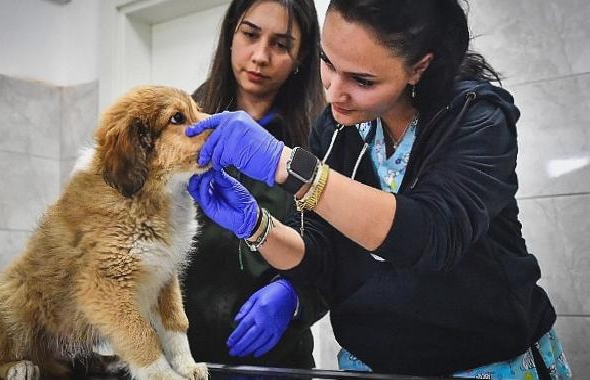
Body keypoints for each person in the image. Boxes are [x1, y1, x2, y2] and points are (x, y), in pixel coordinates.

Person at [185, 0, 573, 378]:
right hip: (371, 363)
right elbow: (321, 255)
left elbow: (431, 233)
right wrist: (258, 227)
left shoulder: (476, 117)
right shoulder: (336, 127)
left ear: (419, 68)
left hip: (482, 361)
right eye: (328, 62)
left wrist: (286, 166)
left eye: (362, 80)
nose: (335, 92)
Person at [182, 0, 327, 369]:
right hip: (183, 359)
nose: (260, 56)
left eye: (280, 44)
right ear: (230, 34)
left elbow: (340, 253)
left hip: (280, 364)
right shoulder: (183, 121)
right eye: (250, 34)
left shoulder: (323, 135)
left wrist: (295, 296)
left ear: (301, 55)